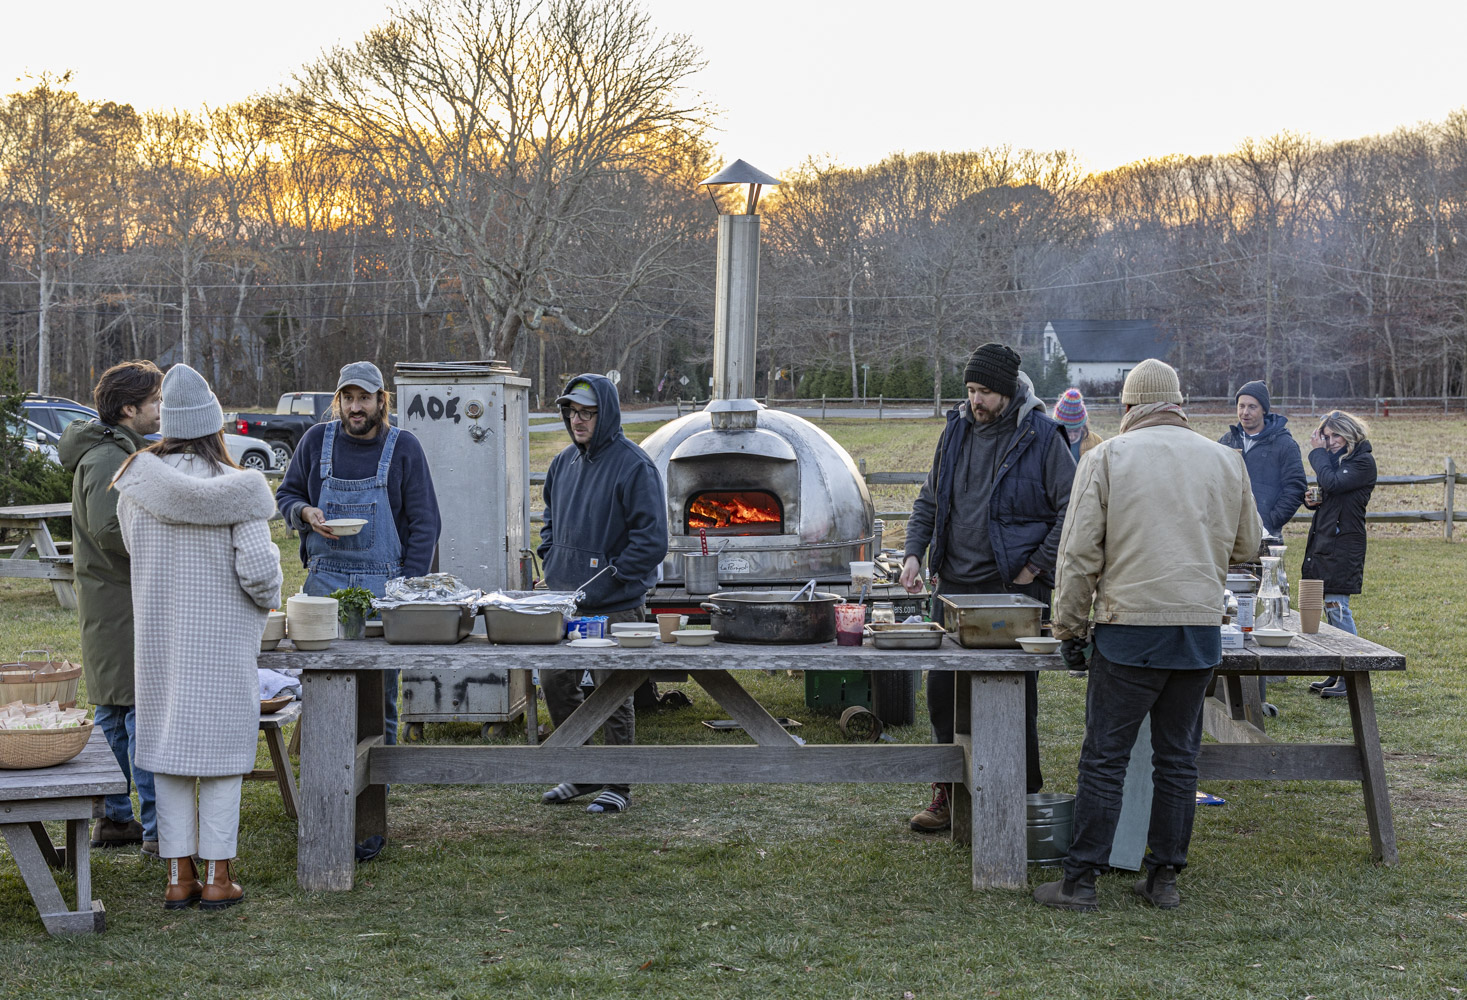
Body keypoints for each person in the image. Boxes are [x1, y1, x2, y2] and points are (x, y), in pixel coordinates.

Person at [1034, 359, 1262, 912]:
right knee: (1179, 760)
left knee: (1104, 759)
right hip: (1197, 632)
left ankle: (1080, 880)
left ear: (1131, 407)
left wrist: (1068, 627)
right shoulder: (1227, 460)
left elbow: (1079, 556)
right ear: (1178, 403)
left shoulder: (1105, 457)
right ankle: (1164, 879)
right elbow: (1248, 545)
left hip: (1129, 630)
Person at [112, 364, 283, 910]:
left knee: (169, 754)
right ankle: (217, 876)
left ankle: (176, 877)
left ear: (169, 424)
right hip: (222, 640)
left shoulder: (135, 486)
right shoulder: (240, 490)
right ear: (213, 425)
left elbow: (136, 554)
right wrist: (266, 601)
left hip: (161, 639)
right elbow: (260, 574)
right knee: (223, 759)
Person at [899, 343, 1075, 833]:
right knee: (942, 693)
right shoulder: (955, 429)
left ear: (1009, 391)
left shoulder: (1040, 436)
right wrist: (915, 553)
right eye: (971, 390)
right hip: (953, 586)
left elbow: (1072, 509)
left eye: (985, 392)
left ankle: (1016, 797)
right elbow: (928, 500)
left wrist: (1035, 567)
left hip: (1011, 592)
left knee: (1011, 696)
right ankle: (948, 793)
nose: (976, 400)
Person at [276, 361, 441, 747]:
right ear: (338, 401)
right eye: (348, 398)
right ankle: (326, 785)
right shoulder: (316, 441)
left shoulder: (404, 447)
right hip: (324, 585)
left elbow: (426, 524)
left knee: (378, 693)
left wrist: (406, 589)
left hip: (384, 586)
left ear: (381, 401)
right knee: (320, 687)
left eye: (364, 398)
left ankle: (376, 792)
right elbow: (287, 494)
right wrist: (303, 512)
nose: (355, 407)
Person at [537, 374, 668, 814]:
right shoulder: (561, 465)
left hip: (617, 605)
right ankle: (582, 769)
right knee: (556, 683)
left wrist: (611, 579)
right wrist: (550, 558)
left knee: (614, 692)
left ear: (605, 414)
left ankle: (618, 783)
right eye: (572, 411)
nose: (578, 420)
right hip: (564, 604)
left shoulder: (635, 466)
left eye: (587, 412)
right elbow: (550, 520)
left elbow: (651, 541)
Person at [58, 360, 164, 857]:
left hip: (115, 600)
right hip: (118, 602)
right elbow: (108, 529)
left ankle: (116, 819)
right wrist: (164, 540)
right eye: (155, 402)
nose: (159, 410)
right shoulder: (104, 458)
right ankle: (155, 827)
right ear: (129, 409)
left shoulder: (116, 447)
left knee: (117, 711)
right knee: (134, 713)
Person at [1300, 411, 1376, 698]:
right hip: (1327, 543)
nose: (1330, 442)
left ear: (1350, 434)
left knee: (1337, 606)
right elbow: (1330, 491)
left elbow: (1333, 484)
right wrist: (1311, 500)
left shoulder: (1363, 462)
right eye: (1326, 436)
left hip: (1344, 547)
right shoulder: (1338, 463)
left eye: (1335, 436)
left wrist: (1317, 454)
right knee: (1329, 608)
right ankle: (1337, 669)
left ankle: (1351, 674)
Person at [1218, 380, 1306, 539]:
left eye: (1252, 407)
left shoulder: (1284, 445)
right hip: (1229, 531)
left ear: (1264, 410)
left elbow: (1295, 488)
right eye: (1241, 406)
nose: (1245, 412)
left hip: (1266, 533)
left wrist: (1270, 521)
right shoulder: (1227, 441)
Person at [1052, 388, 1104, 462]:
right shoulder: (1050, 443)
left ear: (1083, 426)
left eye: (1076, 431)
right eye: (1068, 431)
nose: (1071, 436)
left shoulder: (1096, 443)